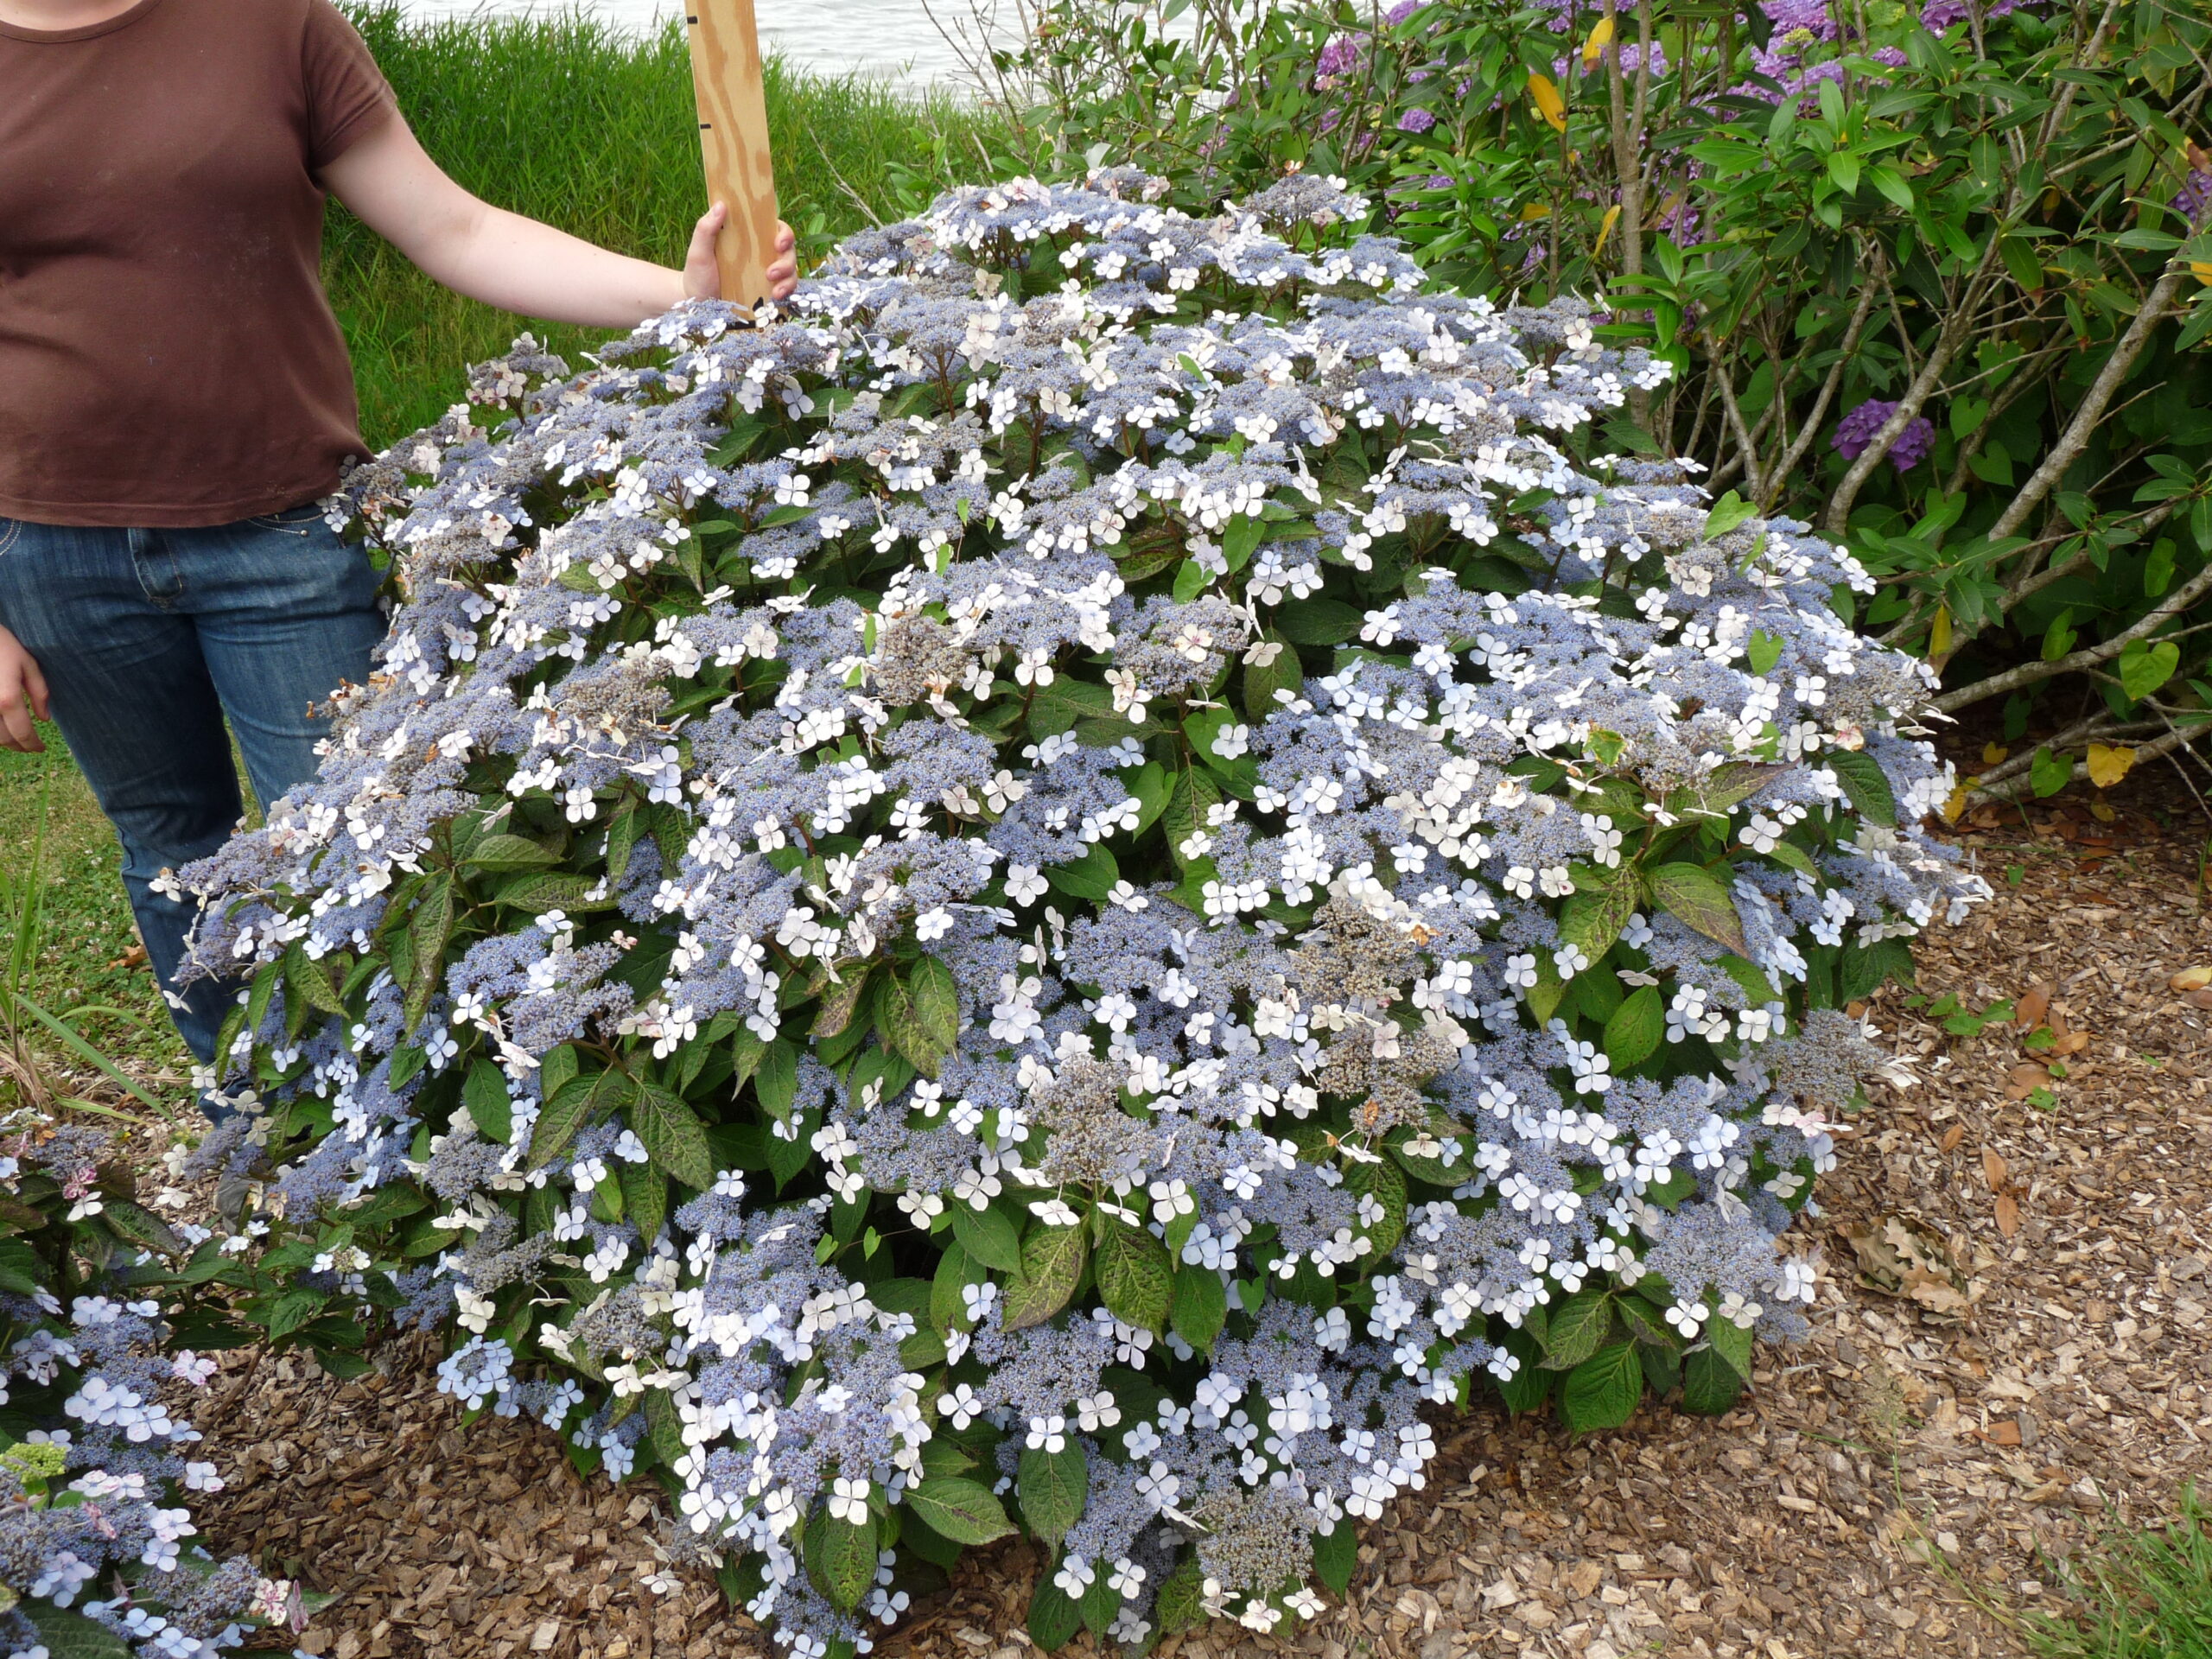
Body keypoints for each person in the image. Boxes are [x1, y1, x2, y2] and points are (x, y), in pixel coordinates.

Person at [0, 0, 798, 1108]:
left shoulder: (271, 22)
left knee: (367, 844)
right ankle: (257, 1121)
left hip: (285, 537)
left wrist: (680, 300)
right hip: (50, 548)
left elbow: (453, 229)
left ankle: (384, 1130)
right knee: (171, 848)